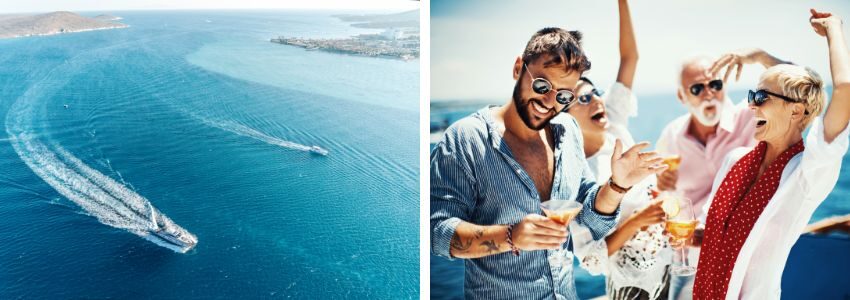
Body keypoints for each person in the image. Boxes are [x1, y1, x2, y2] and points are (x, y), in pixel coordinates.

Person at [430, 27, 668, 300]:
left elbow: (590, 219)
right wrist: (510, 236)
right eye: (542, 85)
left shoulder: (567, 130)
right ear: (519, 68)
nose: (549, 102)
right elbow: (437, 232)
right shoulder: (466, 138)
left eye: (564, 96)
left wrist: (617, 185)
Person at [690, 9, 850, 299]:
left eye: (761, 98)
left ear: (796, 111)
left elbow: (845, 88)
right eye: (753, 95)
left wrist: (833, 29)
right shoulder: (735, 160)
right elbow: (713, 237)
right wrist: (690, 235)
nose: (752, 106)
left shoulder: (807, 174)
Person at [566, 1, 672, 299]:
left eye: (595, 93)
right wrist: (639, 220)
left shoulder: (613, 124)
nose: (597, 101)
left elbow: (630, 57)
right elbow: (591, 258)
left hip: (666, 261)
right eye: (583, 100)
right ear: (565, 118)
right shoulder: (575, 173)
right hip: (631, 284)